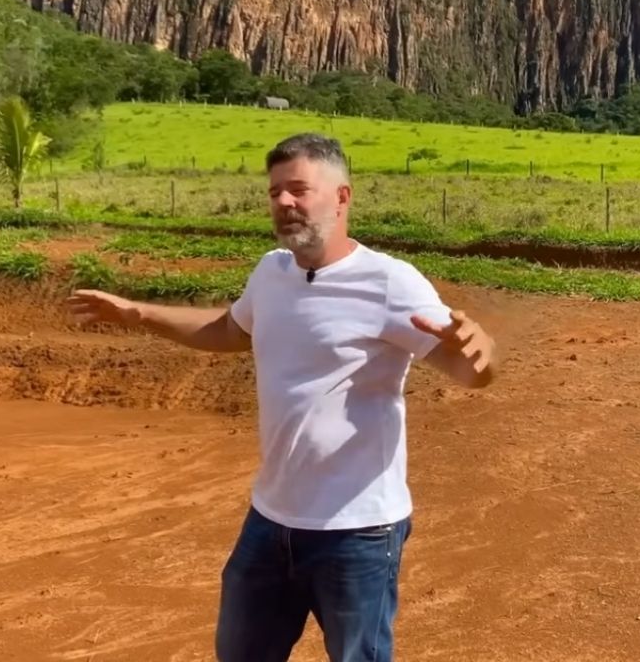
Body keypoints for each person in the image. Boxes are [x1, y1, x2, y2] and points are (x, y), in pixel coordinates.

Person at [65, 133, 496, 662]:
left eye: (298, 190)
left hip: (356, 531)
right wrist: (139, 313)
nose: (284, 203)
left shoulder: (388, 282)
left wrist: (484, 351)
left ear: (342, 198)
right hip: (270, 521)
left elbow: (468, 369)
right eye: (274, 193)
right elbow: (230, 331)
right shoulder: (271, 272)